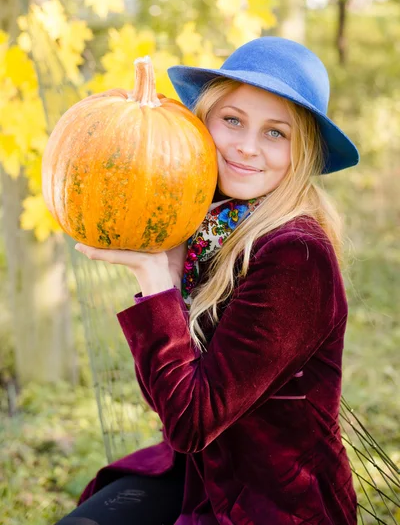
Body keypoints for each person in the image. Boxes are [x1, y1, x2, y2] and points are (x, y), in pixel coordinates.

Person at [56, 36, 360, 525]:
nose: (246, 146)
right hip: (200, 472)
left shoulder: (297, 256)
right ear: (204, 122)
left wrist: (158, 281)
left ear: (301, 152)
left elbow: (191, 421)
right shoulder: (212, 226)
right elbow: (170, 397)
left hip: (268, 501)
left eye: (276, 133)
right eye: (233, 120)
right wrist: (170, 275)